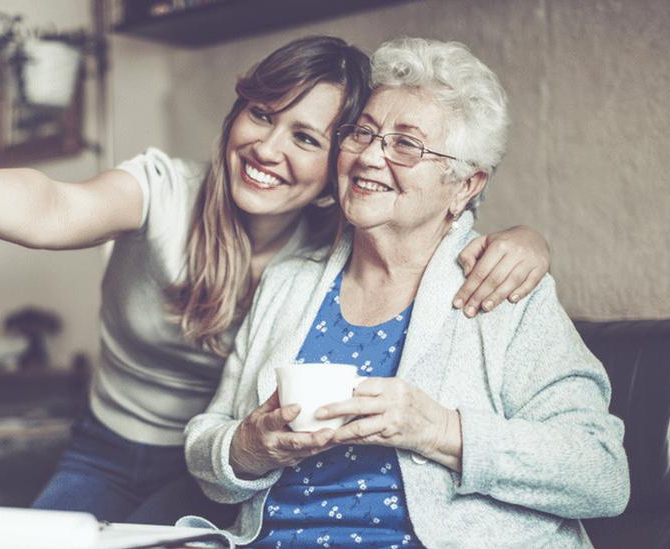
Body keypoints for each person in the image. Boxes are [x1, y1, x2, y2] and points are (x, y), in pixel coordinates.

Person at [0, 36, 552, 524]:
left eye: (306, 137)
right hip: (105, 445)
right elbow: (55, 205)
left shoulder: (335, 242)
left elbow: (440, 206)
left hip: (210, 467)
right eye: (262, 115)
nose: (268, 150)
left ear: (336, 165)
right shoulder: (166, 193)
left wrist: (529, 242)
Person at [184, 37, 629, 548]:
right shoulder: (289, 283)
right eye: (363, 133)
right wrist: (248, 446)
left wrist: (440, 430)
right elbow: (206, 442)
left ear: (464, 186)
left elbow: (602, 473)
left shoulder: (503, 288)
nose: (370, 156)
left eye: (405, 144)